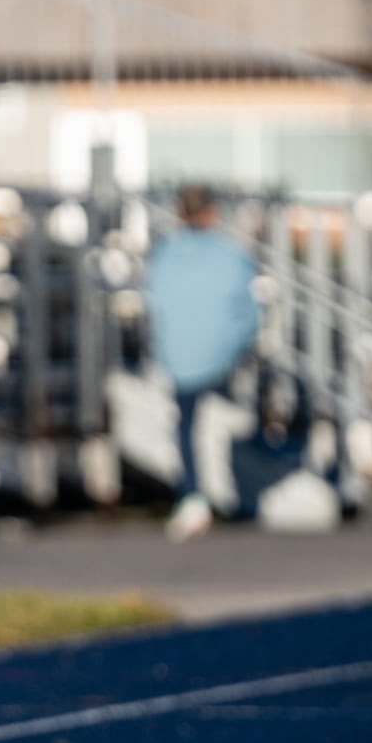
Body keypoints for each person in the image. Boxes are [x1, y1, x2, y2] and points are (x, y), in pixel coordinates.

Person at [144, 184, 257, 543]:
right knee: (239, 407)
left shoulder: (164, 255)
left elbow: (156, 307)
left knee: (186, 425)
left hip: (180, 359)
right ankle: (236, 486)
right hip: (225, 356)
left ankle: (193, 496)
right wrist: (237, 344)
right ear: (211, 213)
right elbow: (250, 312)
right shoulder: (231, 254)